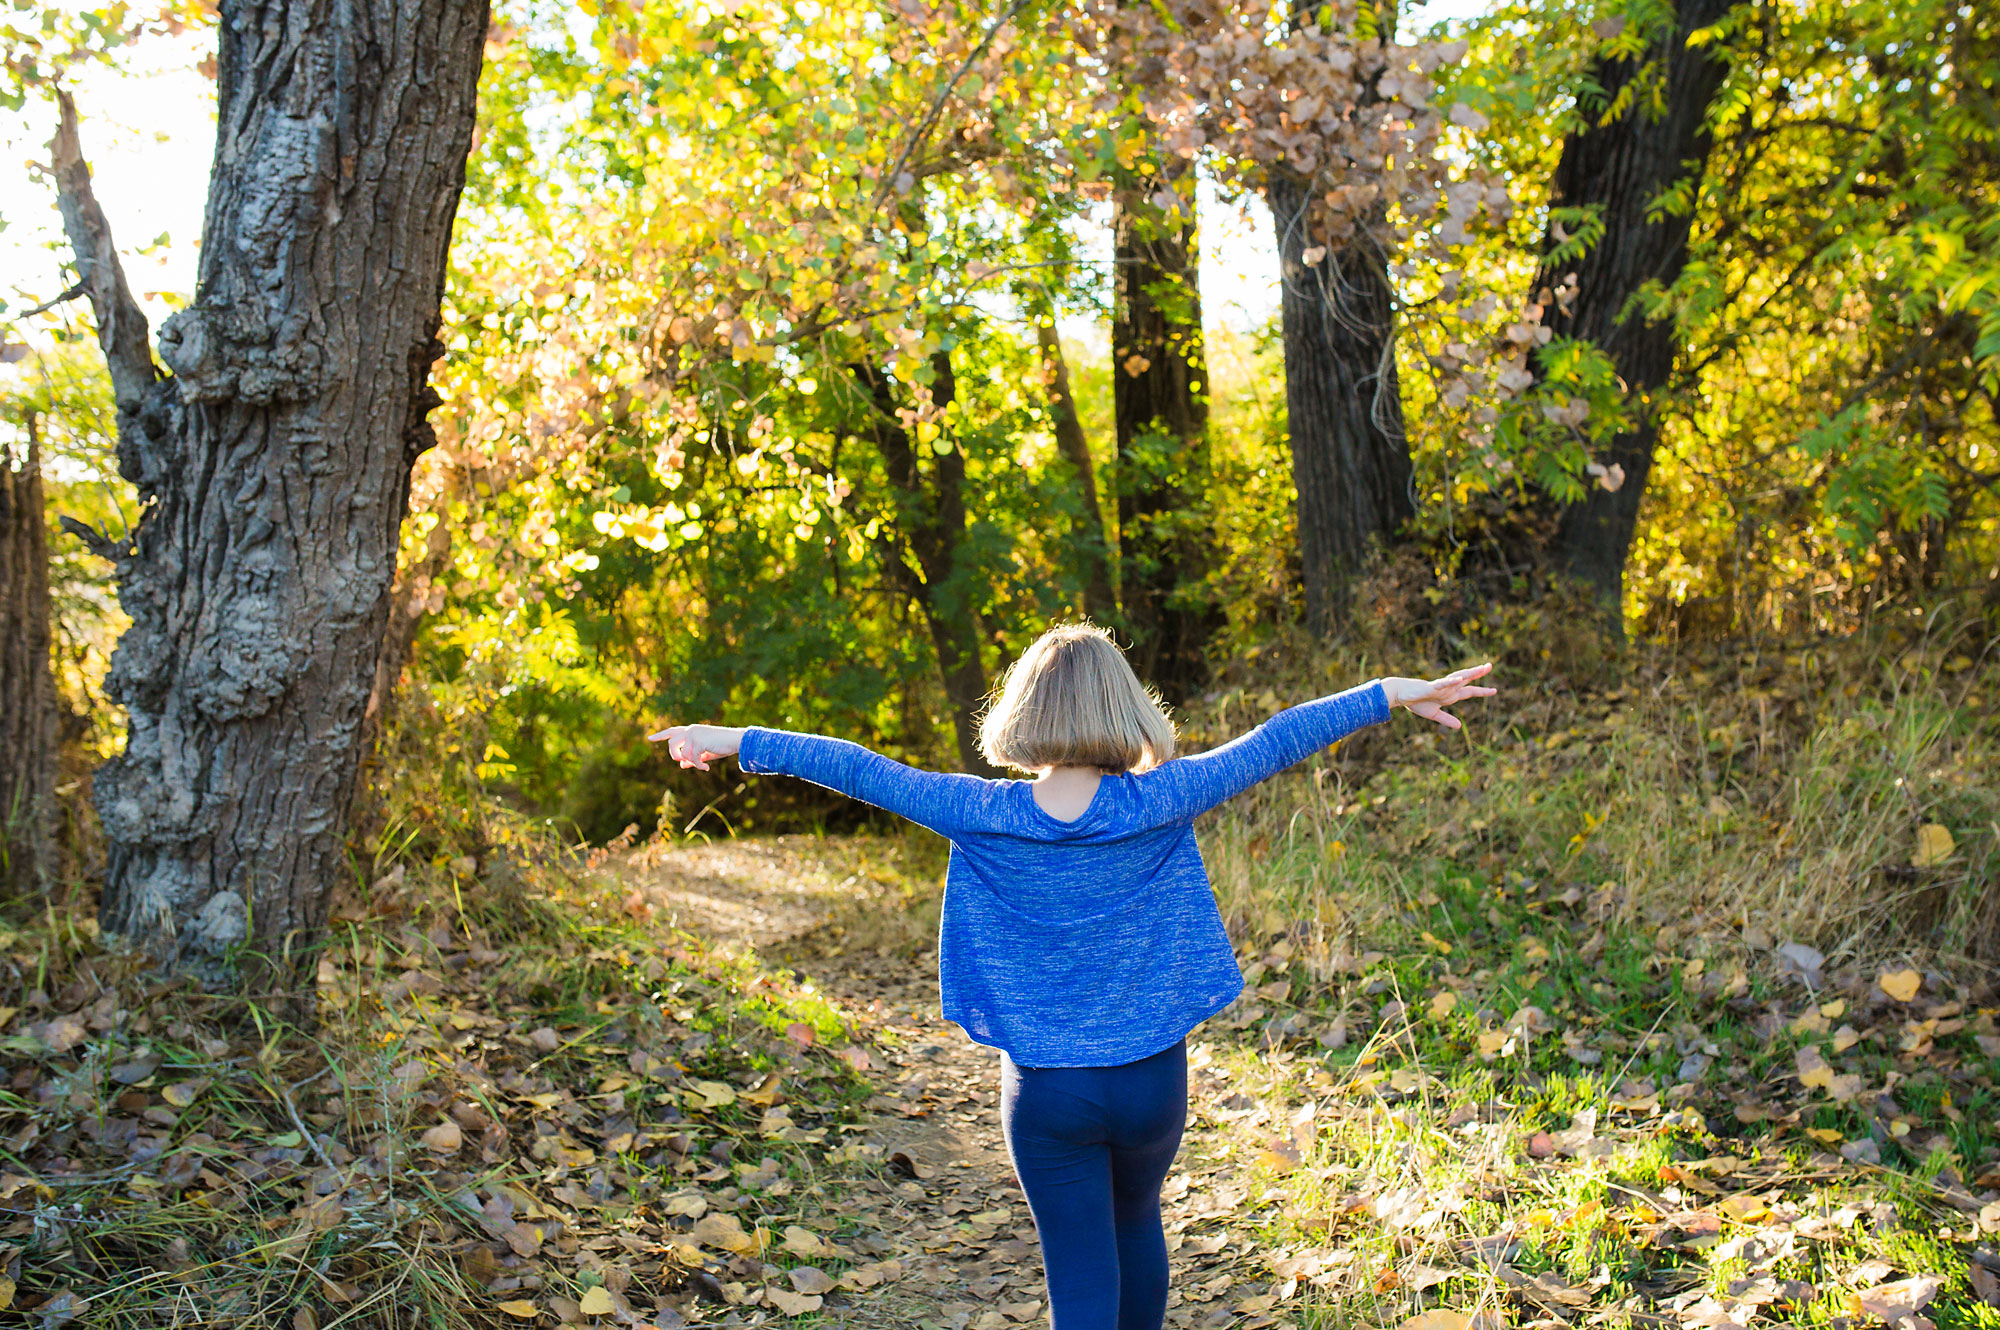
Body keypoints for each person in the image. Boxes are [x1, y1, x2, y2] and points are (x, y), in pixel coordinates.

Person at [649, 623, 1496, 1330]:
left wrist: (729, 741)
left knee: (1080, 1272)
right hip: (1150, 1083)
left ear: (1024, 713)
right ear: (1123, 707)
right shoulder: (1162, 798)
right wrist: (1390, 690)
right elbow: (1277, 739)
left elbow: (853, 765)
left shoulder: (980, 811)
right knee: (1137, 1222)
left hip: (1049, 1092)